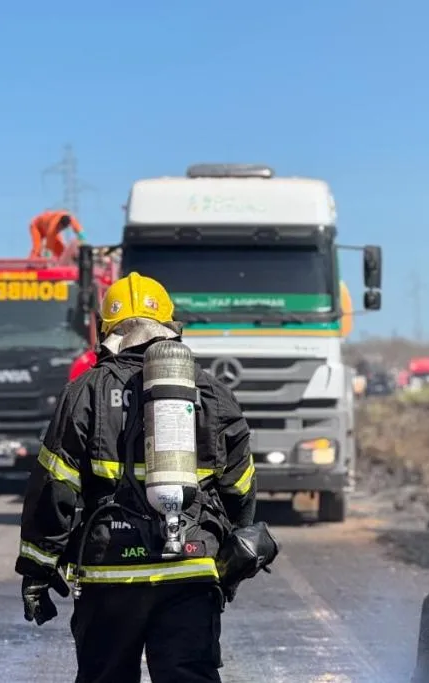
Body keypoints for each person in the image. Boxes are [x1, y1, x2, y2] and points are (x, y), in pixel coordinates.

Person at [16, 272, 258, 683]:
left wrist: (38, 569)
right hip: (190, 569)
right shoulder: (213, 393)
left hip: (110, 575)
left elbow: (55, 487)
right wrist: (230, 560)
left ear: (106, 330)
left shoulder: (86, 391)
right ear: (169, 326)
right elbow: (240, 488)